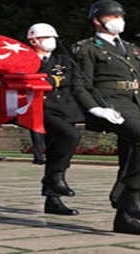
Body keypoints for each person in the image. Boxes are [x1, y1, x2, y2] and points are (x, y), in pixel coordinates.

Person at [72, 0, 140, 236]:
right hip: (112, 105)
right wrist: (95, 109)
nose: (119, 21)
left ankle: (124, 219)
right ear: (97, 20)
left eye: (121, 17)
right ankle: (130, 195)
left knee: (131, 156)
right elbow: (80, 85)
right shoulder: (87, 48)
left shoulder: (133, 49)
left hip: (138, 105)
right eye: (114, 17)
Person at [28, 22, 84, 216]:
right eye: (46, 38)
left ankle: (53, 199)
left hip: (63, 108)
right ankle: (54, 178)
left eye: (53, 37)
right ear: (33, 40)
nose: (51, 41)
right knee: (71, 135)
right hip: (38, 108)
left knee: (55, 151)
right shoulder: (24, 59)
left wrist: (50, 81)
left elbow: (72, 76)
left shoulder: (63, 59)